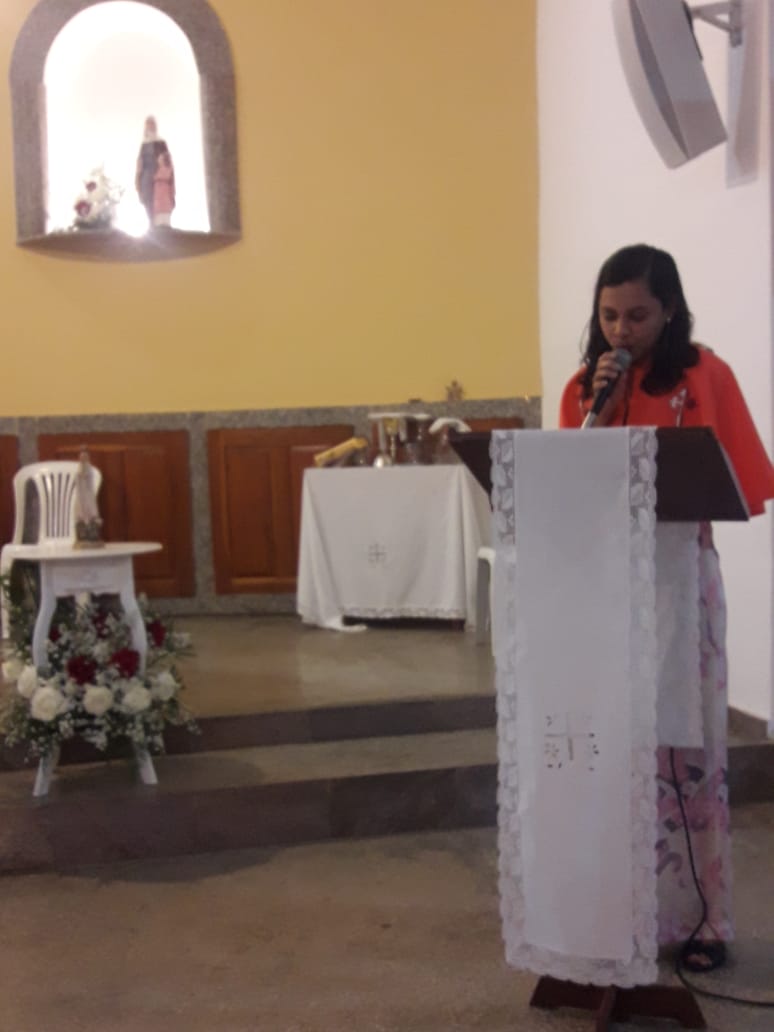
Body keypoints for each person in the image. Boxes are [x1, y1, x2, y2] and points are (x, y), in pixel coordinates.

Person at [560, 244, 774, 972]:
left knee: (690, 753)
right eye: (608, 316)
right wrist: (600, 411)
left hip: (683, 577)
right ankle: (623, 908)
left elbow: (740, 485)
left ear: (671, 310)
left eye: (638, 315)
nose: (621, 331)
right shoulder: (584, 388)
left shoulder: (706, 374)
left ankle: (704, 919)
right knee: (617, 749)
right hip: (608, 587)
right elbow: (568, 490)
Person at [135, 116, 170, 227]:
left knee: (159, 204)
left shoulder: (161, 142)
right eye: (148, 124)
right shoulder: (143, 144)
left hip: (158, 178)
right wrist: (138, 179)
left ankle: (159, 227)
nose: (150, 127)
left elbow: (167, 161)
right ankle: (151, 225)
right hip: (146, 178)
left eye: (152, 124)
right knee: (147, 202)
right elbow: (140, 163)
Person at [152, 143, 176, 227]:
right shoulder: (157, 170)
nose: (159, 160)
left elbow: (170, 183)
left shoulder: (168, 169)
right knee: (159, 217)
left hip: (164, 195)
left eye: (160, 158)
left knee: (164, 216)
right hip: (158, 198)